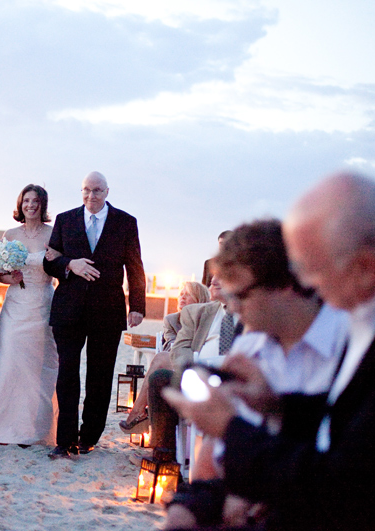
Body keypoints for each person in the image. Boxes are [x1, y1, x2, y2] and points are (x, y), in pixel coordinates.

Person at [163, 173, 375, 531]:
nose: (309, 286)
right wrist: (278, 407)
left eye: (311, 271)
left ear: (364, 266)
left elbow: (348, 482)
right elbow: (350, 426)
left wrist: (231, 428)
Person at [163, 219, 349, 529]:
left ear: (285, 285)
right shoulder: (249, 349)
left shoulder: (351, 346)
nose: (233, 309)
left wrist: (231, 427)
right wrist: (190, 506)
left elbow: (342, 474)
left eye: (241, 296)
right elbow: (217, 465)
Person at [43, 171, 146, 458]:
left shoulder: (125, 223)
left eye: (97, 190)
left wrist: (137, 306)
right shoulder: (65, 220)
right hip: (68, 310)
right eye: (86, 190)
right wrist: (70, 264)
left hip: (108, 310)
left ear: (107, 192)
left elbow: (135, 267)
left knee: (100, 377)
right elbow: (49, 262)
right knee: (67, 375)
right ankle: (64, 440)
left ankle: (88, 437)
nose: (91, 196)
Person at [0, 184, 59, 446]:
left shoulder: (53, 233)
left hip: (42, 305)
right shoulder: (10, 233)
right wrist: (9, 278)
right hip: (15, 306)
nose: (31, 205)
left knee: (36, 369)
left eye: (36, 201)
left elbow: (60, 269)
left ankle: (30, 431)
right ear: (20, 204)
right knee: (9, 363)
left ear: (42, 205)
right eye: (26, 201)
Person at [119, 280, 209, 435]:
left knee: (160, 358)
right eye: (181, 294)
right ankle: (138, 411)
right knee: (161, 358)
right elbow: (172, 347)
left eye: (188, 295)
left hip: (200, 366)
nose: (182, 297)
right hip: (176, 363)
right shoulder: (172, 320)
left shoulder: (208, 321)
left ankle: (137, 412)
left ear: (199, 299)